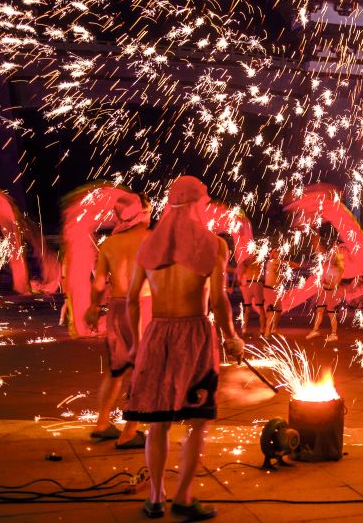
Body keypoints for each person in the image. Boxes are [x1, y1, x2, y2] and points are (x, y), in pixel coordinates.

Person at [124, 176, 244, 521]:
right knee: (196, 422)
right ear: (196, 204)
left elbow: (132, 300)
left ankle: (155, 497)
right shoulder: (213, 244)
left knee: (156, 424)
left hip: (157, 334)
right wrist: (232, 337)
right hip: (194, 334)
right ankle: (184, 497)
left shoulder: (147, 247)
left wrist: (135, 343)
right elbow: (219, 301)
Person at [84, 197, 151, 449]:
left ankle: (102, 423)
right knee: (142, 371)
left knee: (116, 369)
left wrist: (93, 308)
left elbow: (99, 283)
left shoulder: (109, 244)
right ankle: (129, 432)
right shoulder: (151, 239)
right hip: (143, 306)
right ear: (142, 213)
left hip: (116, 308)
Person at [306, 229, 345, 343]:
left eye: (334, 254)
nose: (332, 255)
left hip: (331, 292)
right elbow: (321, 251)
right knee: (319, 311)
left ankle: (334, 334)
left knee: (331, 313)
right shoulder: (328, 263)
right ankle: (315, 330)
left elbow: (336, 283)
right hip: (323, 291)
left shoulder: (339, 269)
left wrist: (326, 283)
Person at [237, 256, 267, 336]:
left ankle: (262, 330)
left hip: (257, 283)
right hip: (248, 284)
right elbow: (241, 269)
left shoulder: (260, 261)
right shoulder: (246, 261)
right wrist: (240, 279)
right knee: (247, 308)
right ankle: (244, 330)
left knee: (261, 307)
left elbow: (256, 266)